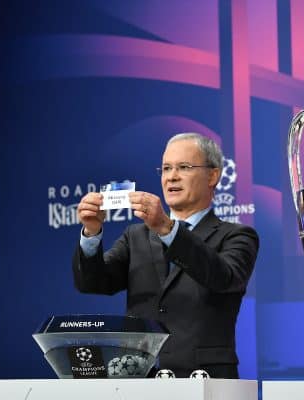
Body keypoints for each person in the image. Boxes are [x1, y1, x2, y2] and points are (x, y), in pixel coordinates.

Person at [72, 132, 259, 378]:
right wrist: (91, 232)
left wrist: (167, 229)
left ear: (213, 175)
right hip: (140, 377)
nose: (172, 176)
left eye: (184, 167)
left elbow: (223, 277)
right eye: (166, 168)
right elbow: (93, 283)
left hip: (204, 380)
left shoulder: (237, 236)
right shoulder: (135, 236)